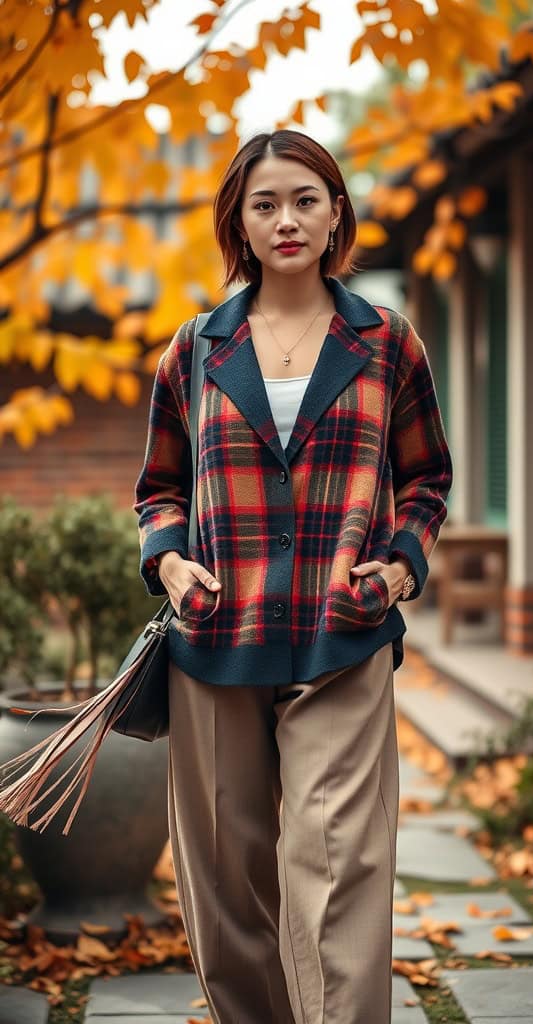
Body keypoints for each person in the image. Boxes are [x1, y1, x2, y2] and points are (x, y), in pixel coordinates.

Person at [134, 129, 452, 1024]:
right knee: (227, 887)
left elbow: (428, 473)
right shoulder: (194, 350)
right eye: (265, 203)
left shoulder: (387, 342)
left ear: (336, 212)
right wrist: (170, 560)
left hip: (342, 634)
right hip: (215, 638)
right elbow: (158, 487)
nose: (286, 219)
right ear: (239, 218)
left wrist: (396, 566)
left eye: (306, 199)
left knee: (338, 864)